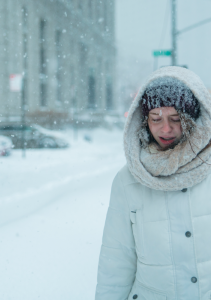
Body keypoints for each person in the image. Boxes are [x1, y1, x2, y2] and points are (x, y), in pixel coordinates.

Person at [95, 66, 211, 300]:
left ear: (192, 119)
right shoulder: (128, 181)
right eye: (156, 118)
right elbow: (116, 261)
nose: (165, 128)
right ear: (144, 120)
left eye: (176, 119)